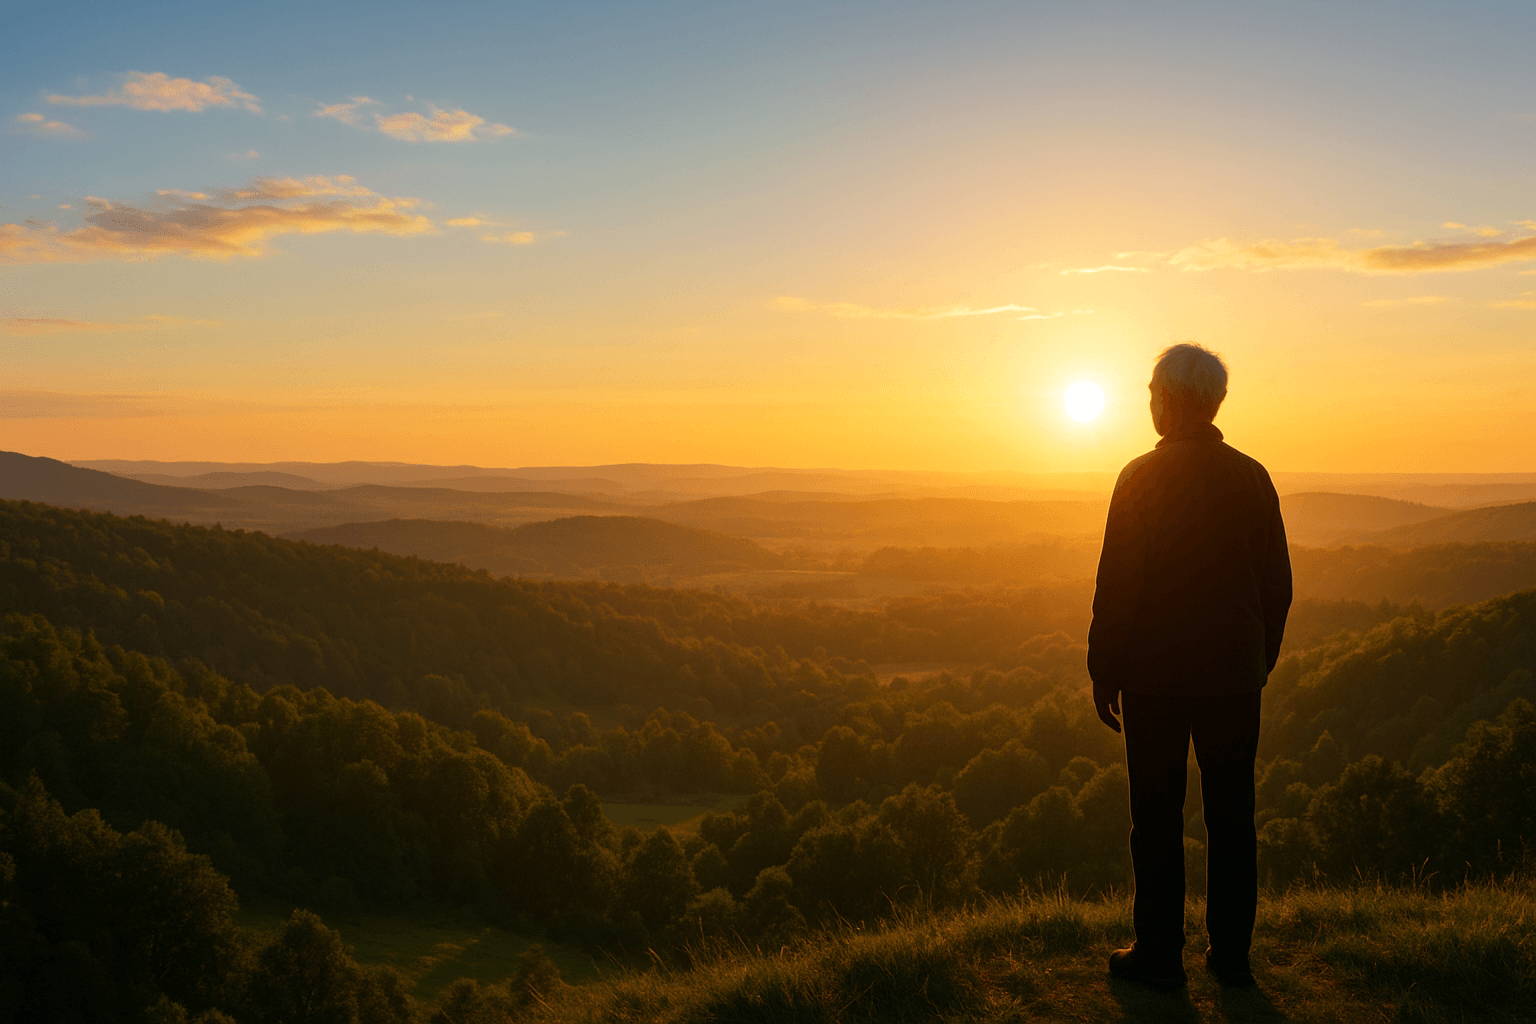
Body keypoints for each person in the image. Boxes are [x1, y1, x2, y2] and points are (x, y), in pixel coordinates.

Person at [1087, 343, 1291, 991]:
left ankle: (1159, 956)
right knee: (1232, 816)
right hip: (1234, 676)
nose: (1149, 402)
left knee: (1156, 816)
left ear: (1170, 400)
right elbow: (1276, 585)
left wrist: (1104, 667)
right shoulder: (1252, 476)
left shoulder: (1140, 477)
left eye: (1152, 393)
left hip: (1156, 676)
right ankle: (1231, 957)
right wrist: (1259, 658)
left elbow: (1119, 583)